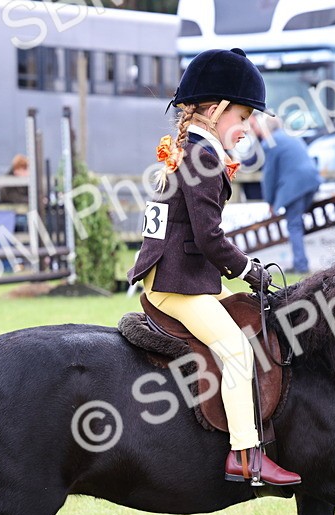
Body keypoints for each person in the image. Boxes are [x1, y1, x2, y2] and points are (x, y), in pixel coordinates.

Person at [126, 48, 300, 487]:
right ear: (218, 109)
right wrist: (248, 270)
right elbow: (208, 237)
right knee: (238, 350)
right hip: (178, 284)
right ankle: (245, 454)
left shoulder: (192, 149)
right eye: (242, 116)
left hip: (178, 275)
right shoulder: (203, 158)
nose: (246, 129)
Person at [254, 117, 321, 273]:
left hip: (296, 185)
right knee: (296, 222)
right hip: (312, 181)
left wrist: (270, 201)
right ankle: (300, 262)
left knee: (294, 224)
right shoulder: (291, 137)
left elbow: (269, 175)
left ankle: (301, 265)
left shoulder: (269, 143)